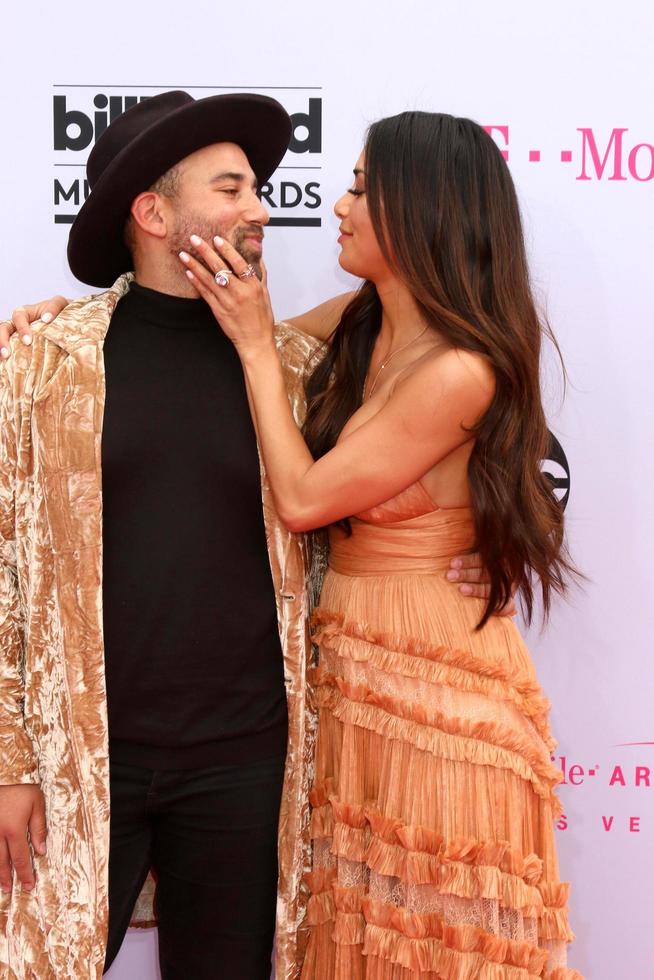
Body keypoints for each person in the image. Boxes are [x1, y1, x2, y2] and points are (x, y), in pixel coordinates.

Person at [0, 94, 492, 979]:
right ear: (152, 214)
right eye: (232, 188)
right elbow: (3, 567)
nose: (263, 207)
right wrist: (9, 762)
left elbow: (410, 425)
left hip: (247, 762)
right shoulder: (43, 363)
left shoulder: (303, 370)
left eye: (258, 186)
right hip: (86, 756)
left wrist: (461, 542)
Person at [165, 112, 582, 978]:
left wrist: (250, 340)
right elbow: (219, 341)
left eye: (361, 187)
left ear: (422, 209)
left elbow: (307, 499)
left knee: (425, 946)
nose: (337, 204)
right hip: (355, 682)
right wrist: (64, 325)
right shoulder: (366, 316)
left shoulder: (459, 370)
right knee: (359, 938)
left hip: (438, 700)